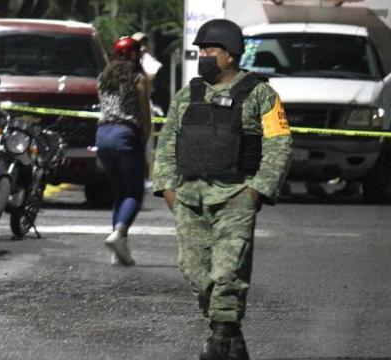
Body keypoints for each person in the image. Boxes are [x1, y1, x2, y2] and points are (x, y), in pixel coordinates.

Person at [152, 19, 292, 359]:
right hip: (189, 198)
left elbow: (279, 143)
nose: (204, 56)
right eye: (201, 51)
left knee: (228, 272)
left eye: (210, 50)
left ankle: (219, 339)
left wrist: (257, 191)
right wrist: (168, 189)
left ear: (230, 55)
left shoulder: (261, 93)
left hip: (235, 196)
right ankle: (231, 334)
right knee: (195, 270)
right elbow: (167, 142)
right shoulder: (188, 94)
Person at [96, 36, 151, 266]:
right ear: (134, 55)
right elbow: (144, 114)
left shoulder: (103, 78)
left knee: (120, 192)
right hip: (125, 136)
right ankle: (119, 233)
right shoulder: (138, 78)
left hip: (102, 135)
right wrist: (144, 142)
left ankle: (118, 250)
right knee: (134, 193)